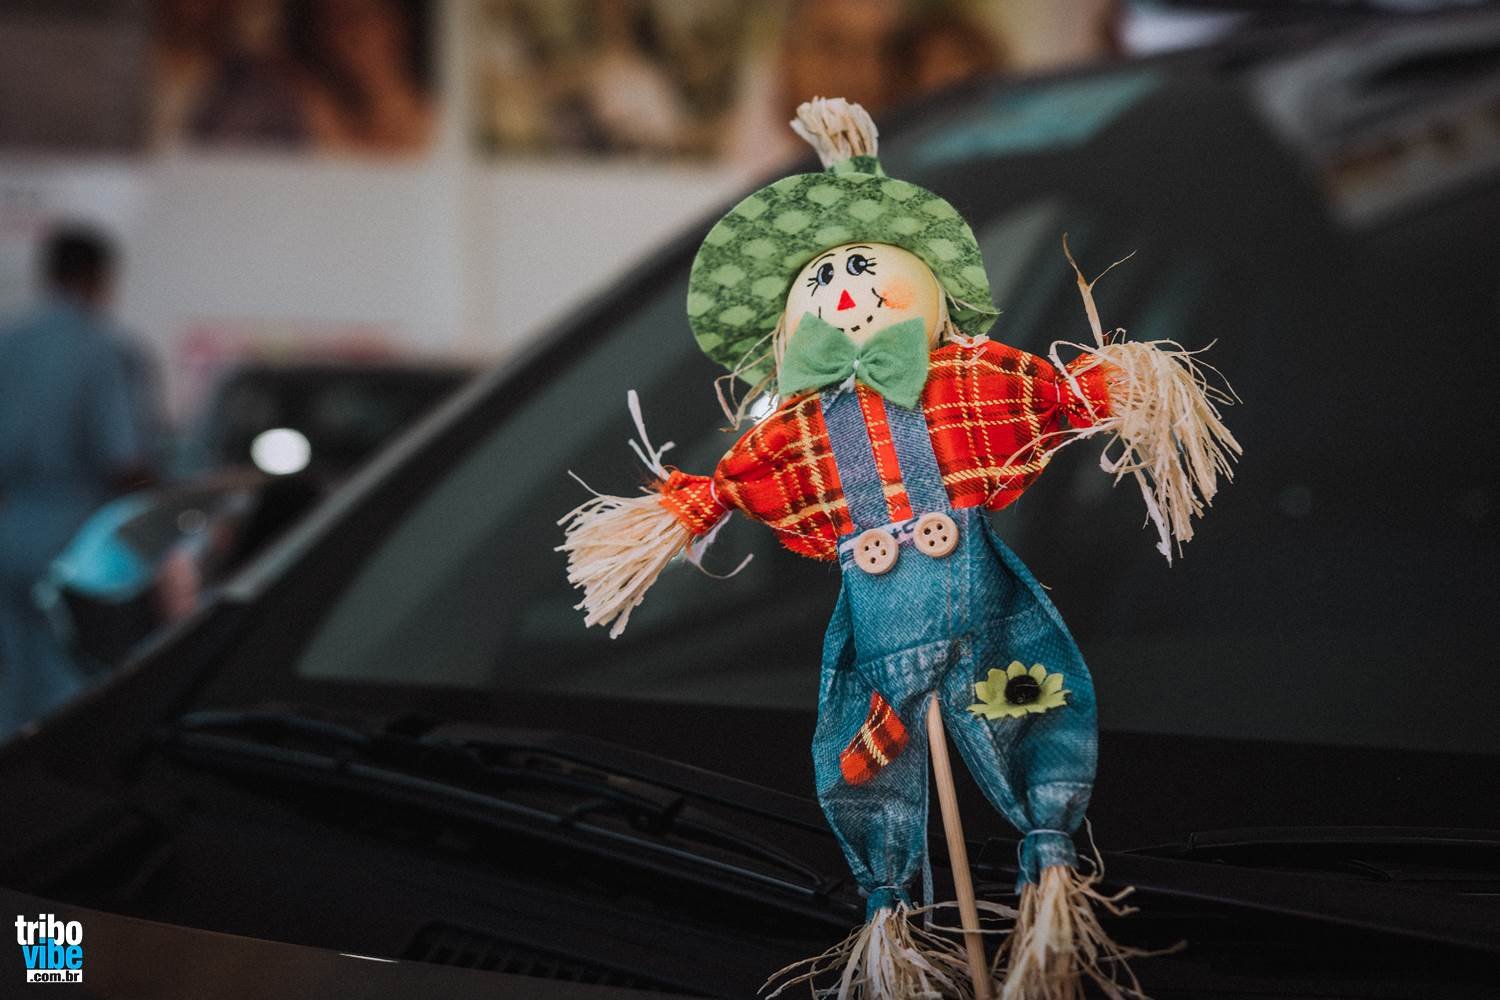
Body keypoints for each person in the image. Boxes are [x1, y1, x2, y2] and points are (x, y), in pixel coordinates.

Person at [0, 226, 156, 741]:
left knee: (14, 676)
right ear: (99, 278)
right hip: (79, 533)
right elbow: (122, 458)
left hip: (12, 526)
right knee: (75, 679)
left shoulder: (10, 342)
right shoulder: (101, 347)